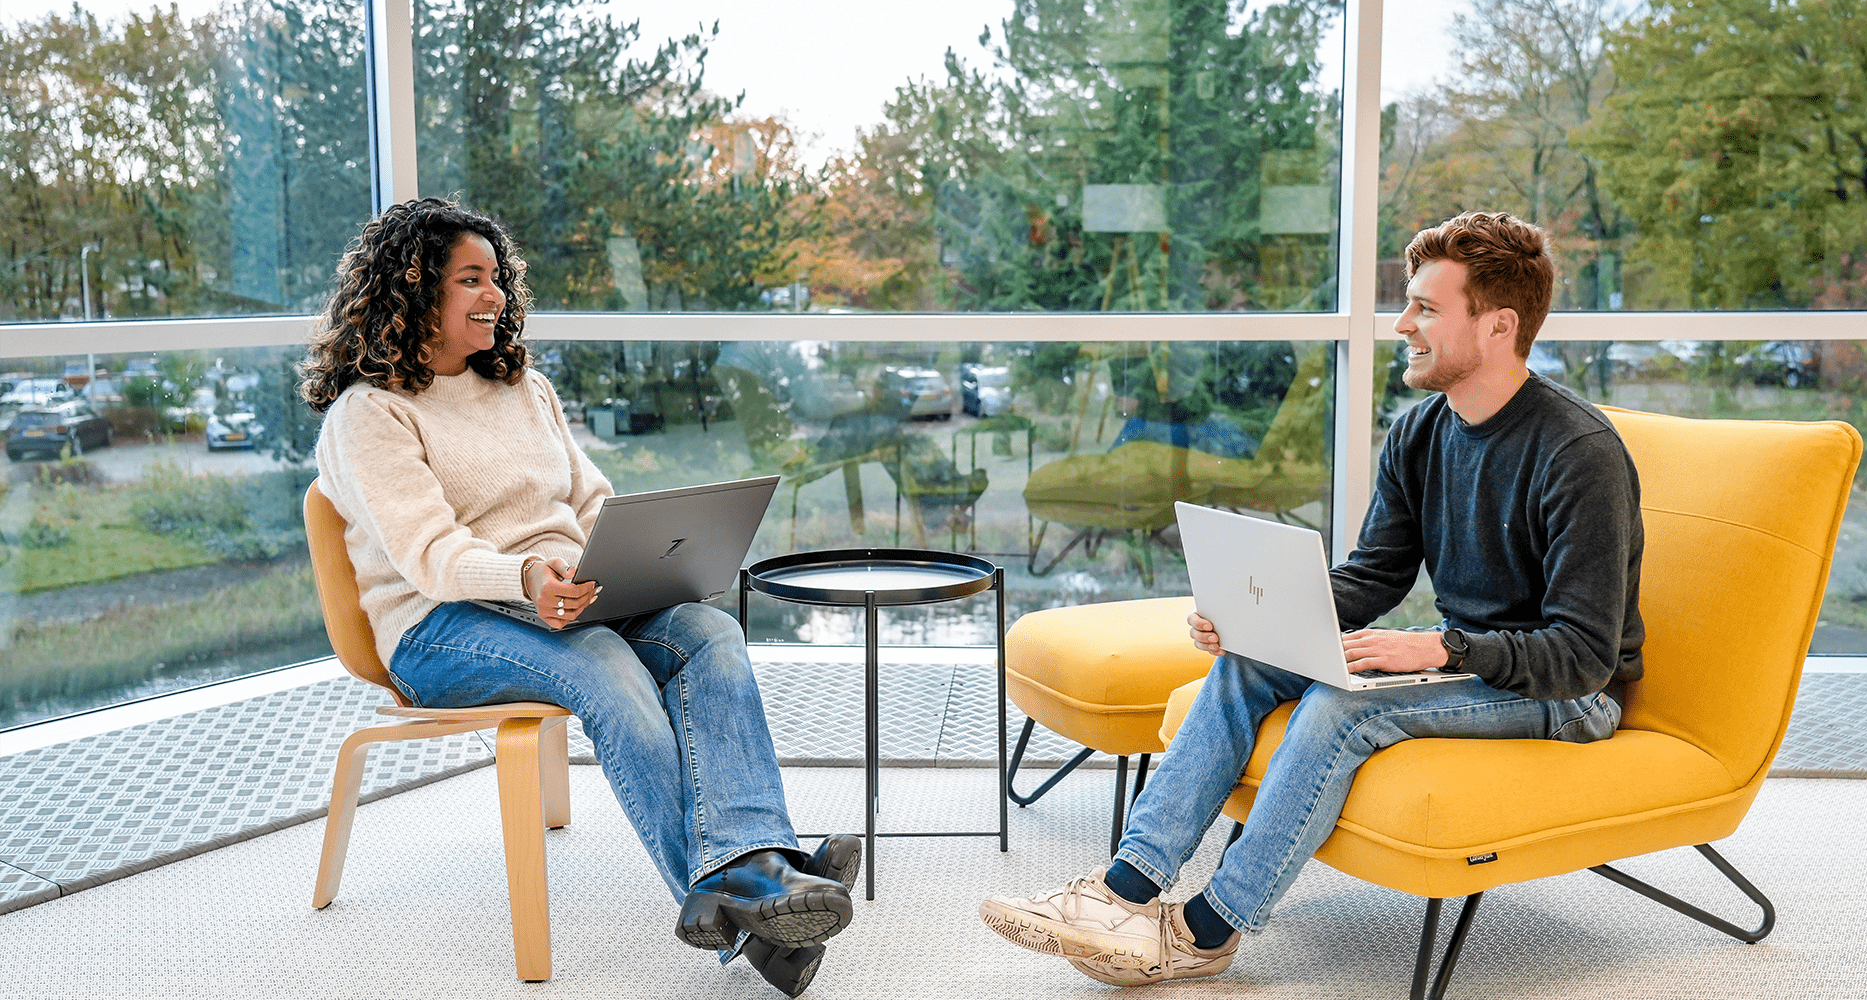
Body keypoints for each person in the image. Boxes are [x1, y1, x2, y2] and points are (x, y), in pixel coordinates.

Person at [979, 211, 1644, 987]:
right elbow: (1376, 576)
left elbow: (1585, 656)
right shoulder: (1421, 432)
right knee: (1247, 665)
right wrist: (1257, 616)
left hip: (1565, 694)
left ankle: (1205, 933)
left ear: (1499, 326)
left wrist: (1441, 647)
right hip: (1469, 658)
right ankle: (1120, 894)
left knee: (1340, 708)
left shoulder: (1578, 454)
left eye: (1426, 308)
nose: (1402, 324)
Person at [302, 198, 853, 997]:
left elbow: (590, 501)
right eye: (470, 278)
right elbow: (430, 556)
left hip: (559, 597)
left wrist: (646, 559)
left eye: (497, 277)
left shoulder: (525, 389)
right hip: (437, 627)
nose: (494, 294)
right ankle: (758, 878)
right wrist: (527, 577)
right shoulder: (370, 414)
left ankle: (752, 878)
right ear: (414, 288)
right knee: (599, 659)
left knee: (707, 632)